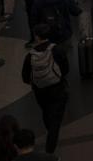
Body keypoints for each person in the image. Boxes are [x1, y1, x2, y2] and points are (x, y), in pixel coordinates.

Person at [21, 23, 70, 153]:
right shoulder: (57, 50)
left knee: (47, 113)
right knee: (56, 120)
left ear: (37, 37)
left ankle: (51, 134)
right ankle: (50, 149)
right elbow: (66, 69)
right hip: (58, 89)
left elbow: (25, 78)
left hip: (40, 92)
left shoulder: (30, 56)